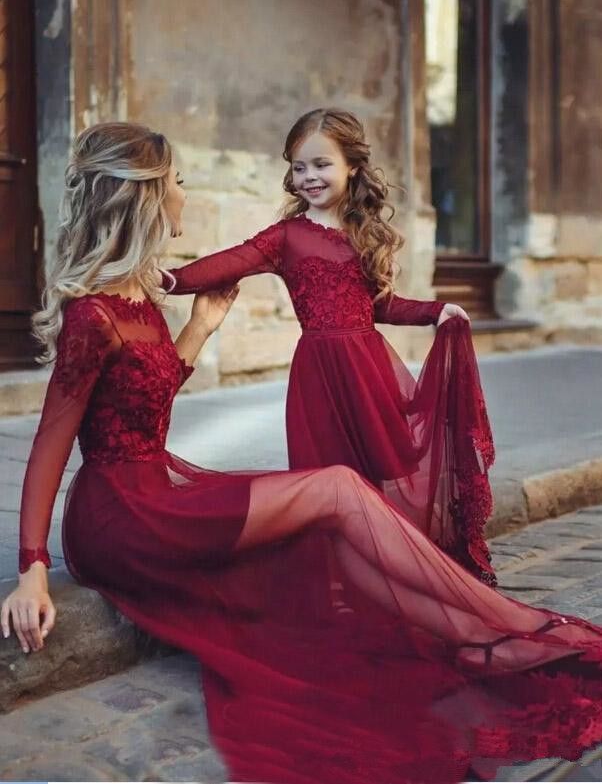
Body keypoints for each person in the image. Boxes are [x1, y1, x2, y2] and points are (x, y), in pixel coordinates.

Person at [1, 122, 601, 784]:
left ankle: (475, 636)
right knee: (340, 490)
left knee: (333, 511)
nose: (183, 192)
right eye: (176, 182)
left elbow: (148, 406)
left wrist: (198, 330)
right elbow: (50, 447)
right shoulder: (94, 315)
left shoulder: (138, 298)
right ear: (142, 198)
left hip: (157, 489)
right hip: (119, 519)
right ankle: (488, 635)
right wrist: (32, 565)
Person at [161, 108, 496, 583]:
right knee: (324, 474)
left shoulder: (366, 234)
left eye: (321, 164)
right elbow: (229, 262)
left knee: (374, 471)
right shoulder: (286, 237)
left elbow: (380, 305)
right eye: (299, 167)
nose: (309, 177)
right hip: (318, 373)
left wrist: (434, 311)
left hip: (368, 367)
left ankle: (383, 569)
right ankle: (335, 577)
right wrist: (170, 279)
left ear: (352, 167)